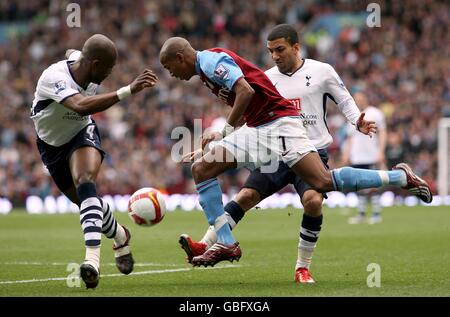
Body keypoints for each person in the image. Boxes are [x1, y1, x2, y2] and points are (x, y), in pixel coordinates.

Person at [159, 36, 432, 269]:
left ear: (180, 57)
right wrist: (215, 147)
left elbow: (245, 90)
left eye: (168, 67)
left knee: (322, 182)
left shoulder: (210, 62)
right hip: (258, 126)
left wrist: (224, 132)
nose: (170, 73)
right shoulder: (207, 66)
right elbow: (249, 101)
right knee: (203, 168)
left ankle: (399, 178)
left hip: (279, 123)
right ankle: (226, 243)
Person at [177, 24, 377, 283]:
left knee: (313, 202)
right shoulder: (267, 77)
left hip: (310, 150)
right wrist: (216, 145)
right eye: (270, 51)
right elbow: (254, 118)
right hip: (275, 151)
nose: (275, 56)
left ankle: (302, 267)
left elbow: (345, 99)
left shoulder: (322, 71)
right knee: (246, 195)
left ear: (296, 47)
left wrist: (355, 121)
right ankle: (207, 244)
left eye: (280, 49)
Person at [30, 34, 158, 289]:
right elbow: (79, 105)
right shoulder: (53, 78)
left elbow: (73, 53)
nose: (109, 74)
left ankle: (92, 261)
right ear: (95, 63)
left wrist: (73, 53)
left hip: (81, 134)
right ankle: (121, 235)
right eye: (108, 69)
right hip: (51, 145)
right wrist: (128, 90)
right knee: (87, 204)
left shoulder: (83, 61)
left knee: (85, 181)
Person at [343, 92, 387, 225]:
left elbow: (383, 132)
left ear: (366, 99)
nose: (358, 102)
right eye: (356, 100)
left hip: (371, 155)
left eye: (360, 99)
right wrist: (347, 153)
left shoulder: (375, 113)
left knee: (374, 184)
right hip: (357, 156)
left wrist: (381, 151)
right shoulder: (352, 116)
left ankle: (376, 213)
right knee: (359, 186)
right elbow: (350, 137)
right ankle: (361, 214)